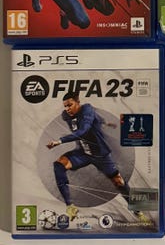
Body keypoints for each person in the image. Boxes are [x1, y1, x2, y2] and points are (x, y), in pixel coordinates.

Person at [46, 92, 146, 222]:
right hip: (83, 153)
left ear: (78, 102)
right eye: (65, 106)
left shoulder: (87, 109)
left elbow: (83, 131)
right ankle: (70, 206)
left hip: (100, 154)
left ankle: (137, 210)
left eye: (70, 105)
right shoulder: (66, 116)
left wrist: (60, 141)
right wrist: (104, 122)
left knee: (118, 181)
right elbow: (95, 118)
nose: (67, 109)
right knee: (59, 164)